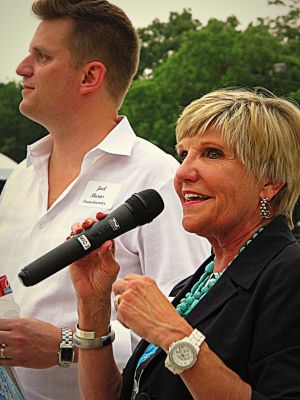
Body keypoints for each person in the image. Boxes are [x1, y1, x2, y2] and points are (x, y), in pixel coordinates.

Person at [0, 1, 210, 399]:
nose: (22, 67)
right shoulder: (21, 178)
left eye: (42, 56)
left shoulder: (159, 181)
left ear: (90, 76)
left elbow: (187, 332)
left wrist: (68, 346)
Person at [69, 87, 300, 400]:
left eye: (212, 153)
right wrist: (93, 303)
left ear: (269, 182)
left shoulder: (289, 274)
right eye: (183, 154)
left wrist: (174, 334)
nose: (183, 172)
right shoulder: (201, 281)